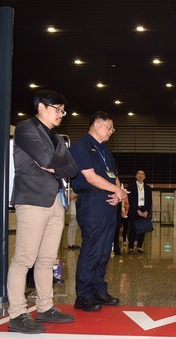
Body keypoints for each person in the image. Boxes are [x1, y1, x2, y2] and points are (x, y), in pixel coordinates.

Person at [7, 89, 77, 333]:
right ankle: (16, 313)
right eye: (58, 109)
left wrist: (55, 166)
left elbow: (72, 168)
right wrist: (56, 165)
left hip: (55, 201)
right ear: (41, 108)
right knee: (24, 258)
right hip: (33, 200)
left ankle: (45, 307)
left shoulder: (55, 137)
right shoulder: (26, 129)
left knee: (47, 259)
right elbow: (48, 161)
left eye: (63, 110)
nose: (62, 114)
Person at [70, 111, 127, 311]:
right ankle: (83, 295)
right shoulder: (80, 147)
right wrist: (117, 190)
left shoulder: (105, 151)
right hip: (92, 204)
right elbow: (91, 178)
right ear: (96, 124)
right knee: (92, 250)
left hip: (109, 204)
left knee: (104, 252)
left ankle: (98, 290)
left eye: (112, 128)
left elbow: (114, 177)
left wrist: (119, 194)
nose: (111, 131)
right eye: (109, 127)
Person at [127, 170, 153, 254]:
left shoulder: (148, 188)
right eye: (138, 174)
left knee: (143, 229)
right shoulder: (131, 186)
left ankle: (139, 247)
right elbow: (130, 199)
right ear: (136, 176)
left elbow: (149, 201)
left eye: (142, 174)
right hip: (134, 211)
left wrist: (146, 211)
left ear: (145, 177)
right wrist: (137, 210)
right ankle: (130, 248)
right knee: (133, 229)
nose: (140, 175)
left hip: (144, 210)